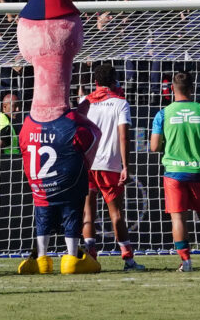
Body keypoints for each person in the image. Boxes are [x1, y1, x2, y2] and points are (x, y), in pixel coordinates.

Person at [18, 74, 99, 274]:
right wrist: (80, 115)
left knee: (43, 220)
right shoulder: (69, 121)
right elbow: (93, 135)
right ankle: (71, 258)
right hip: (67, 182)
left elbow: (23, 145)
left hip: (41, 186)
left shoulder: (28, 122)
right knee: (72, 216)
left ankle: (42, 259)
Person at [151, 68, 200, 269]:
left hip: (174, 173)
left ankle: (186, 263)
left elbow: (154, 146)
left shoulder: (163, 114)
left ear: (172, 89)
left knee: (178, 218)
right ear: (192, 89)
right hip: (199, 171)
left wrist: (170, 147)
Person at [81, 61, 142, 269]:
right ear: (115, 80)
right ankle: (128, 259)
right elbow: (124, 136)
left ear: (95, 81)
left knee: (88, 213)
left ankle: (91, 257)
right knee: (116, 214)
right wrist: (126, 166)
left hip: (87, 164)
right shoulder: (120, 103)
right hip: (110, 164)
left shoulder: (85, 102)